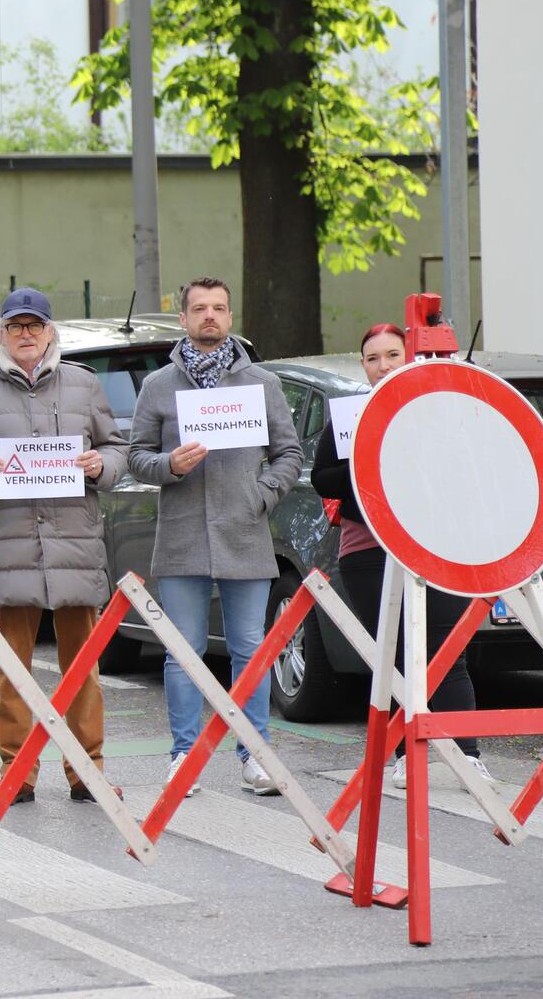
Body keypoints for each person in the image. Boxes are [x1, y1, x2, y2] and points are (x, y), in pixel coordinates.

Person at [0, 288, 129, 804]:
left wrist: (102, 466)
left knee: (83, 669)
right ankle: (17, 774)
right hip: (9, 546)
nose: (25, 334)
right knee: (10, 669)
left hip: (74, 544)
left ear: (51, 332)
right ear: (1, 334)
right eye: (15, 326)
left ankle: (86, 771)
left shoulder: (84, 385)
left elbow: (117, 448)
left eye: (34, 325)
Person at [129, 276, 303, 796]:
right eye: (199, 308)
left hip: (244, 531)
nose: (210, 316)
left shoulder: (262, 384)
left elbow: (289, 454)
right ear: (182, 318)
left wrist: (262, 494)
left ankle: (255, 755)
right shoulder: (158, 386)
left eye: (219, 308)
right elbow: (136, 455)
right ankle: (183, 755)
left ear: (230, 318)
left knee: (250, 648)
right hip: (182, 534)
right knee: (183, 650)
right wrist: (170, 465)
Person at [311, 322, 489, 785]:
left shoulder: (436, 408)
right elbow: (323, 478)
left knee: (448, 652)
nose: (383, 365)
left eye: (393, 354)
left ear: (411, 356)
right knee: (395, 656)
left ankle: (466, 754)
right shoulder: (350, 414)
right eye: (373, 358)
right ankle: (405, 754)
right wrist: (374, 469)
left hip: (438, 550)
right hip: (368, 553)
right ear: (363, 365)